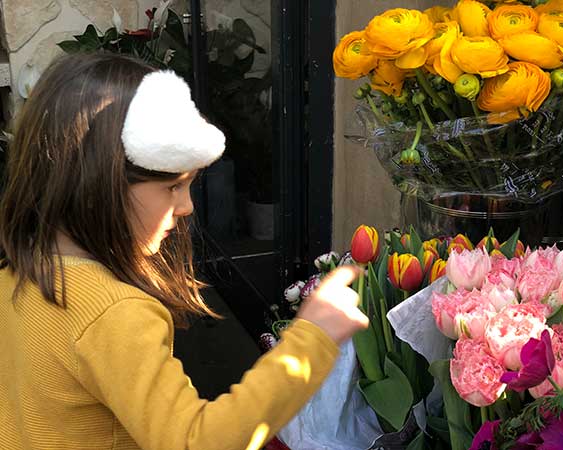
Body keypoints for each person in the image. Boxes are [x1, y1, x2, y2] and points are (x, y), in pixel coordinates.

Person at [0, 53, 368, 450]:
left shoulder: (17, 272)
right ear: (97, 185)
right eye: (172, 186)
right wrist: (312, 340)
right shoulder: (114, 314)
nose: (187, 206)